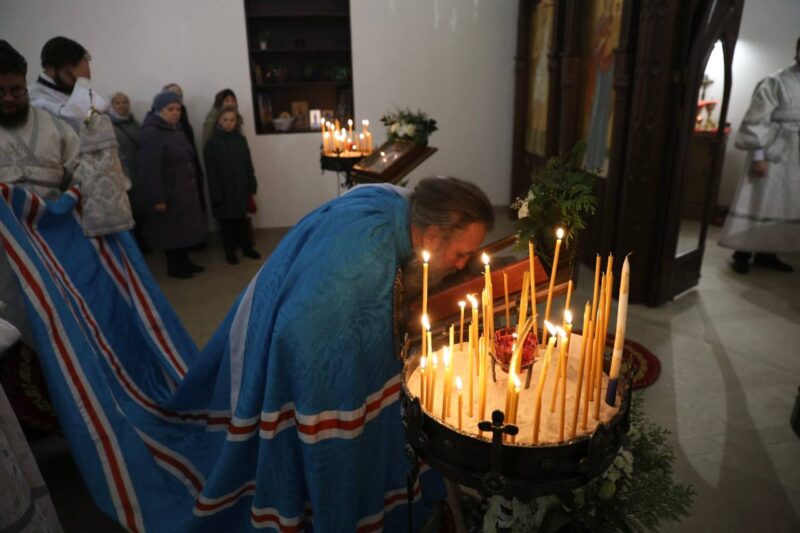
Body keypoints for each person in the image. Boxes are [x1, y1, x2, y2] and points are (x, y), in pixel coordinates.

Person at [1, 171, 493, 530]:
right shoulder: (359, 270)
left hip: (273, 304)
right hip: (291, 337)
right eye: (462, 253)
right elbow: (318, 348)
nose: (463, 264)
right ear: (431, 234)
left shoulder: (389, 202)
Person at [0, 39, 80, 345]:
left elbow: (82, 178)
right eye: (0, 91)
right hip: (3, 259)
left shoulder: (56, 129)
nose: (9, 98)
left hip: (54, 249)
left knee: (61, 330)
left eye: (16, 90)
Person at [719, 37, 800, 274]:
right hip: (771, 151)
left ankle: (768, 253)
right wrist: (758, 157)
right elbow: (756, 120)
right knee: (758, 200)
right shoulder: (775, 81)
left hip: (794, 157)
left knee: (780, 205)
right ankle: (742, 252)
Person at [138, 90, 206, 279]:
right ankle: (174, 266)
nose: (175, 112)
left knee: (183, 230)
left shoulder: (175, 129)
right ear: (159, 110)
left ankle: (185, 261)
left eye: (178, 109)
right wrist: (158, 198)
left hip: (183, 192)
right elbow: (149, 170)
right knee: (171, 231)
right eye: (170, 109)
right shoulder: (151, 133)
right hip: (168, 194)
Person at [203, 105, 260, 264]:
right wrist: (216, 194)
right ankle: (230, 252)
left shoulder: (241, 141)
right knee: (227, 224)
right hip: (223, 190)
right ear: (219, 121)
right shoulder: (212, 143)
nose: (228, 123)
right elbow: (211, 172)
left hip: (240, 189)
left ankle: (246, 248)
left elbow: (248, 165)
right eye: (225, 120)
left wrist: (251, 184)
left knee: (242, 221)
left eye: (232, 120)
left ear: (236, 122)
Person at [28, 36, 109, 128]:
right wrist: (83, 80)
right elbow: (79, 121)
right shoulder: (33, 97)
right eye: (69, 74)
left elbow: (99, 112)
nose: (76, 79)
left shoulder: (67, 88)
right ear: (49, 67)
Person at [109, 91, 150, 252]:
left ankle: (142, 242)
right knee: (128, 209)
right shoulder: (109, 127)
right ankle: (133, 245)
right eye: (118, 102)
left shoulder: (136, 124)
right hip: (123, 174)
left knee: (141, 209)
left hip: (140, 172)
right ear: (112, 106)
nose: (122, 105)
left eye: (125, 102)